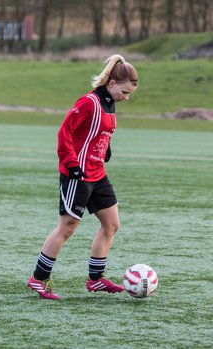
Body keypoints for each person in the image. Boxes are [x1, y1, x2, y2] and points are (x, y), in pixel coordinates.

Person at [27, 54, 138, 299]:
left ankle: (95, 280)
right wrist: (71, 163)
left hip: (98, 175)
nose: (126, 97)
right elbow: (65, 131)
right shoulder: (89, 101)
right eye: (125, 92)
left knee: (111, 224)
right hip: (77, 175)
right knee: (67, 227)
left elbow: (98, 130)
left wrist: (105, 146)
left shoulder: (110, 102)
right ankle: (38, 279)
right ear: (112, 84)